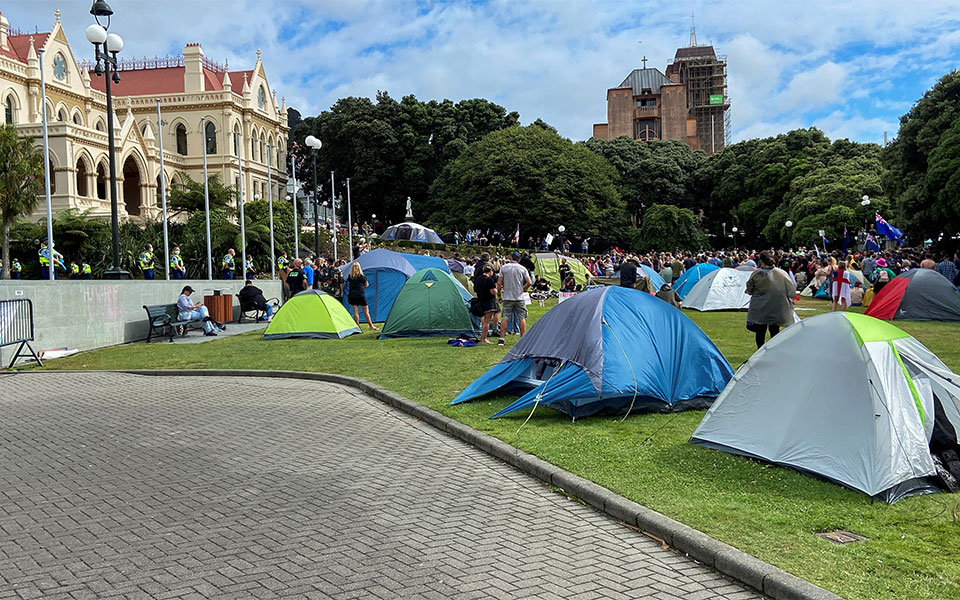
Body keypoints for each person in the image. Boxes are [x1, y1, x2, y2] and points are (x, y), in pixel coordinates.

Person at [745, 251, 795, 349]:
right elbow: (791, 290)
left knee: (760, 331)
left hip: (760, 307)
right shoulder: (782, 273)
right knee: (774, 330)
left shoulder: (756, 274)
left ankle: (760, 352)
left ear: (761, 261)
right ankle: (774, 351)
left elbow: (749, 289)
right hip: (776, 306)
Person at [497, 252, 532, 345]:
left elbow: (499, 283)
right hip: (519, 296)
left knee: (505, 317)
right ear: (519, 259)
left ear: (511, 257)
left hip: (507, 296)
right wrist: (523, 289)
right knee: (521, 317)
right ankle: (522, 339)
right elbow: (529, 282)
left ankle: (501, 339)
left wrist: (499, 295)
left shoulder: (504, 268)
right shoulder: (523, 268)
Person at [347, 262, 378, 331]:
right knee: (366, 311)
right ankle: (371, 326)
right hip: (360, 294)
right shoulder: (362, 276)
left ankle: (357, 327)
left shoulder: (350, 276)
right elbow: (366, 285)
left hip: (352, 294)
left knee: (355, 310)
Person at [475, 264, 499, 344]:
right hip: (489, 301)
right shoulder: (489, 280)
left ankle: (482, 336)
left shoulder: (478, 279)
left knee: (483, 319)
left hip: (481, 300)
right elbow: (493, 291)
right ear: (490, 271)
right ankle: (484, 338)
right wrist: (497, 290)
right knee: (487, 321)